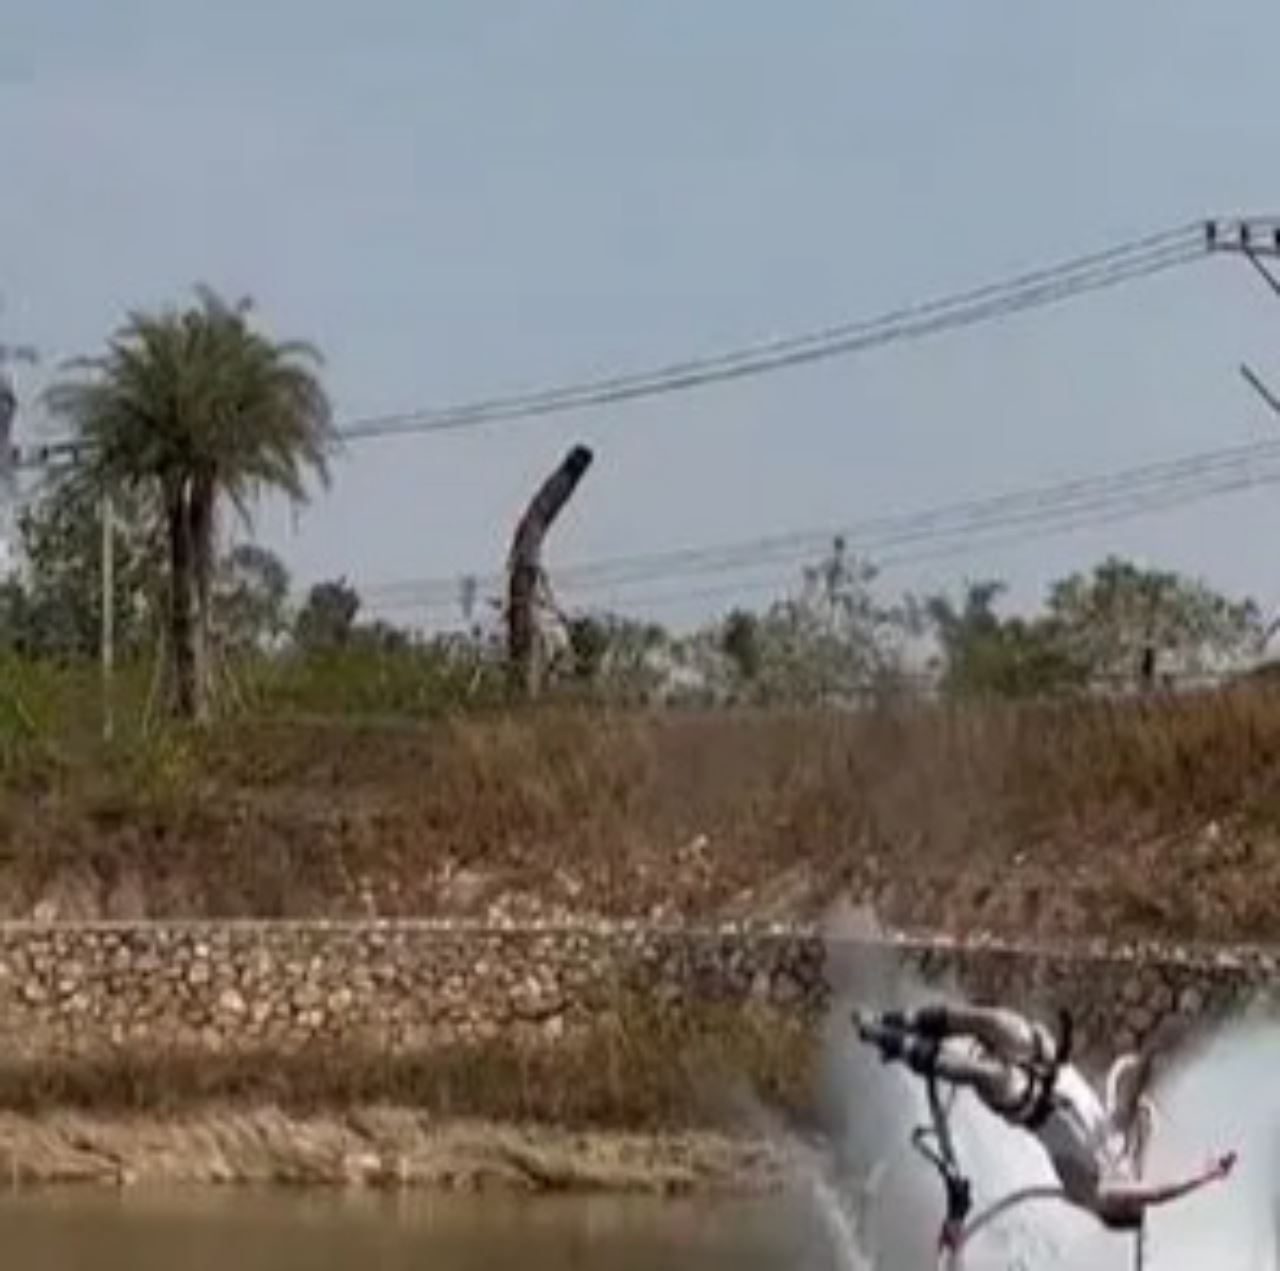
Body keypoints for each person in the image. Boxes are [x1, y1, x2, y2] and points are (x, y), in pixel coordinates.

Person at [853, 1002, 1236, 1233]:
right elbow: (1127, 1103)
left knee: (984, 1073)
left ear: (1119, 1208)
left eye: (1131, 1199)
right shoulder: (1116, 1148)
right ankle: (894, 1019)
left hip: (1026, 1100)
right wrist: (1151, 1064)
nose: (1133, 1188)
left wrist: (1204, 1177)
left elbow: (1154, 1193)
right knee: (995, 1021)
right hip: (1048, 1060)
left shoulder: (1093, 1192)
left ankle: (883, 1039)